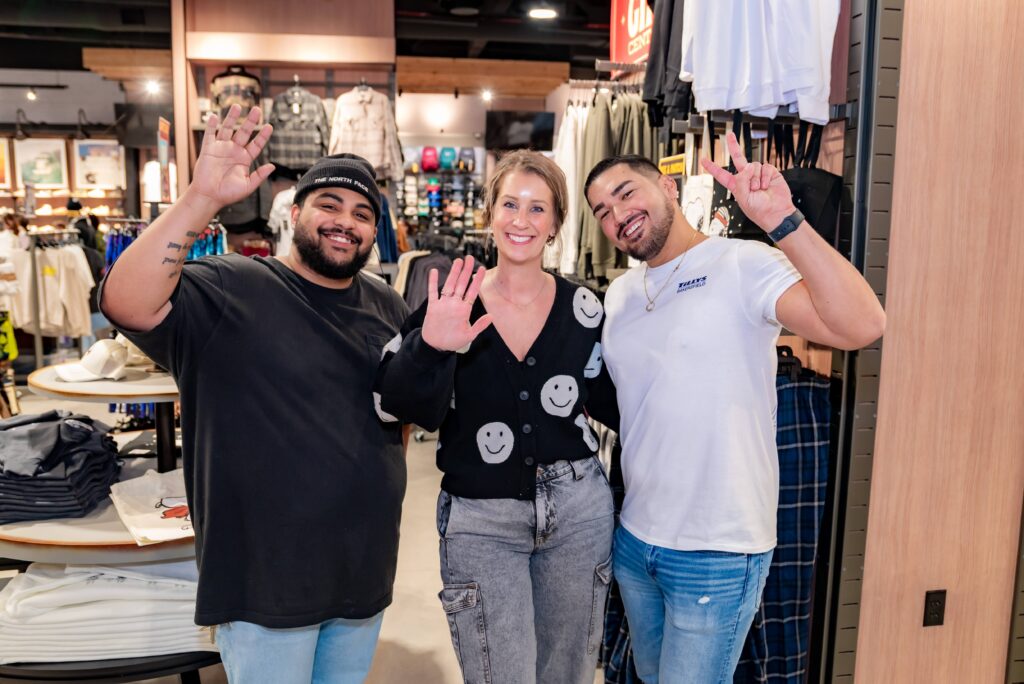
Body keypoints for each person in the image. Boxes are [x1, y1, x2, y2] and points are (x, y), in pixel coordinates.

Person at [100, 104, 409, 684]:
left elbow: (398, 417)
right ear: (295, 213)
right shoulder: (230, 285)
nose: (346, 222)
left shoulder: (386, 305)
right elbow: (126, 303)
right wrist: (200, 201)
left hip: (363, 569)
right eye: (329, 204)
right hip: (264, 579)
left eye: (363, 213)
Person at [584, 134, 886, 683]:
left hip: (717, 550)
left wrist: (784, 220)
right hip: (635, 542)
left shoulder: (743, 262)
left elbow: (862, 325)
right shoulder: (621, 296)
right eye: (603, 212)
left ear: (669, 188)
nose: (618, 215)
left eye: (627, 194)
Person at [375, 150, 619, 684]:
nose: (521, 220)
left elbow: (617, 403)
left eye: (538, 208)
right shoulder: (455, 302)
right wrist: (432, 349)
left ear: (556, 223)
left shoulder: (587, 308)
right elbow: (392, 402)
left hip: (579, 510)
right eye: (509, 203)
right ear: (490, 213)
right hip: (481, 520)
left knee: (569, 673)